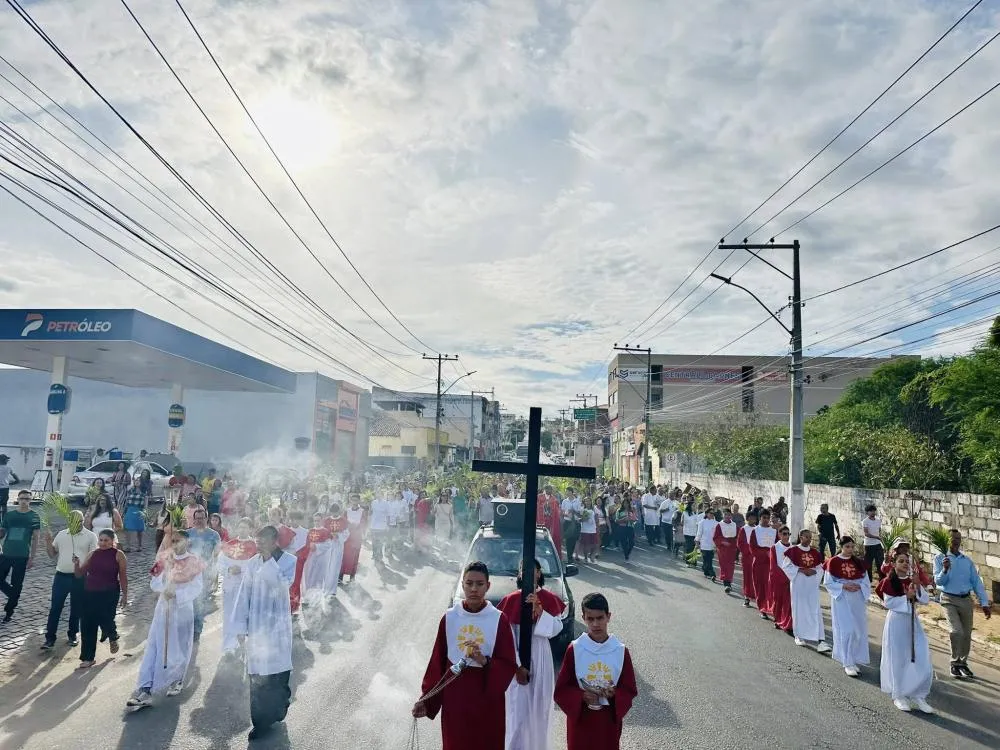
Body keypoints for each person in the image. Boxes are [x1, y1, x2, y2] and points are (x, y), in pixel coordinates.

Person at [412, 561, 517, 750]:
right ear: (462, 585)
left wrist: (484, 661)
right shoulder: (450, 617)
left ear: (488, 586)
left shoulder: (498, 619)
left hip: (486, 699)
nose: (474, 589)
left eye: (479, 584)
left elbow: (509, 664)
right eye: (469, 583)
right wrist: (426, 699)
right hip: (456, 699)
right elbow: (437, 662)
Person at [127, 529, 204, 707]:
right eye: (173, 540)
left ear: (187, 542)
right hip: (164, 606)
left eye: (179, 540)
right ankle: (145, 688)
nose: (175, 544)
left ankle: (176, 679)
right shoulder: (164, 559)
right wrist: (164, 588)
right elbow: (154, 582)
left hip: (183, 608)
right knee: (155, 643)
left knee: (179, 645)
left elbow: (197, 587)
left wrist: (177, 594)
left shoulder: (194, 561)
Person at [234, 524, 297, 740]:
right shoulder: (252, 564)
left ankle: (278, 710)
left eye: (261, 541)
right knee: (258, 677)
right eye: (256, 540)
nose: (257, 544)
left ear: (273, 541)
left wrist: (270, 560)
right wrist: (241, 627)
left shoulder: (289, 561)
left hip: (277, 628)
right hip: (257, 627)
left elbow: (281, 585)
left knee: (276, 675)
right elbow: (244, 595)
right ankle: (259, 723)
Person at [554, 593, 637, 750]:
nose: (595, 624)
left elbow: (629, 689)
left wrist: (614, 694)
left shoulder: (620, 651)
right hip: (581, 719)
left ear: (608, 616)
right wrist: (581, 696)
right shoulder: (575, 649)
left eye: (600, 618)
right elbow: (562, 689)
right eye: (590, 619)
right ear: (583, 617)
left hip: (607, 721)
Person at [498, 559, 565, 750]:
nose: (527, 574)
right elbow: (507, 636)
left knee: (540, 711)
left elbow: (555, 629)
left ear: (539, 573)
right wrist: (517, 665)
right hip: (517, 656)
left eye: (532, 570)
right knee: (517, 712)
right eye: (523, 570)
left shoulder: (549, 598)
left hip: (541, 652)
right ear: (519, 575)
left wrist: (540, 610)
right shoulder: (510, 600)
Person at [878, 552, 934, 713]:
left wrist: (918, 586)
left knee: (920, 656)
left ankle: (918, 694)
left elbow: (924, 600)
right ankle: (899, 695)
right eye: (901, 561)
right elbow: (888, 602)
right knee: (898, 658)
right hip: (896, 621)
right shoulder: (889, 581)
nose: (904, 563)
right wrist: (905, 597)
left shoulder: (912, 580)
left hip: (912, 621)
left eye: (907, 561)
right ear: (894, 564)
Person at [933, 528, 993, 679]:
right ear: (947, 541)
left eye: (958, 539)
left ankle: (963, 663)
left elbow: (976, 583)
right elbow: (939, 582)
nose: (956, 541)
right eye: (953, 539)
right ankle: (954, 662)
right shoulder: (940, 558)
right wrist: (945, 569)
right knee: (956, 631)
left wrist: (984, 603)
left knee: (966, 634)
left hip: (966, 600)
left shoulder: (967, 561)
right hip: (948, 599)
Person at [41, 510, 97, 650]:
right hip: (61, 576)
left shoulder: (90, 536)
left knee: (76, 608)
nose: (77, 524)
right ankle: (49, 638)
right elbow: (52, 554)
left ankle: (73, 635)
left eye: (79, 521)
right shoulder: (61, 534)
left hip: (80, 577)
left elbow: (93, 558)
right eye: (73, 521)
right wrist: (48, 542)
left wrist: (81, 565)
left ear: (83, 521)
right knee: (55, 608)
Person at [74, 529, 128, 668]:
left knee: (106, 618)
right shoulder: (93, 554)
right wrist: (76, 564)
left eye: (106, 540)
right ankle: (88, 657)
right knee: (87, 624)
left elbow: (122, 576)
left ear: (112, 540)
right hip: (90, 592)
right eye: (101, 540)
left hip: (109, 593)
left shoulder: (118, 555)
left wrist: (125, 594)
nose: (103, 543)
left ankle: (112, 635)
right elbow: (80, 574)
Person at [823, 536, 870, 677]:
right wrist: (844, 585)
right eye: (847, 547)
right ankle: (847, 662)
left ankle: (853, 659)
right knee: (846, 630)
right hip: (842, 598)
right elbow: (828, 583)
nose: (850, 549)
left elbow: (866, 581)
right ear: (841, 546)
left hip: (857, 598)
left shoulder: (858, 562)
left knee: (857, 631)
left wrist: (859, 585)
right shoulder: (833, 562)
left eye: (852, 546)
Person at [782, 529, 832, 652]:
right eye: (806, 537)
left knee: (815, 610)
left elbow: (820, 568)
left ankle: (821, 640)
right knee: (799, 609)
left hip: (811, 584)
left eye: (810, 537)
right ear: (801, 537)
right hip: (799, 583)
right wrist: (801, 570)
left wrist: (813, 572)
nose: (809, 539)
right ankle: (799, 636)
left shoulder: (815, 552)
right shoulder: (792, 551)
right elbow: (786, 566)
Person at [217, 518, 257, 655]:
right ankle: (229, 645)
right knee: (229, 614)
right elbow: (220, 563)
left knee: (244, 614)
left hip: (246, 586)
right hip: (230, 585)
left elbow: (257, 566)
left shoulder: (255, 546)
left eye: (245, 527)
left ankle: (244, 643)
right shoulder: (230, 544)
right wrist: (228, 570)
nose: (242, 530)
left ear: (250, 529)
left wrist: (242, 570)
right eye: (240, 527)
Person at [0, 490, 40, 623]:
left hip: (22, 556)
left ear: (30, 501)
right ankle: (13, 595)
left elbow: (35, 538)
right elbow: (2, 532)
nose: (24, 501)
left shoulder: (34, 516)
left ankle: (9, 611)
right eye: (22, 498)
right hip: (5, 554)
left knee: (17, 584)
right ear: (18, 499)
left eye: (27, 499)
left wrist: (32, 558)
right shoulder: (9, 515)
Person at [187, 507, 221, 642]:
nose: (199, 521)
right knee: (189, 600)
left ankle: (197, 629)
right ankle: (188, 626)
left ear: (206, 519)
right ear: (194, 520)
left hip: (205, 573)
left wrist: (215, 574)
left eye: (202, 518)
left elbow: (217, 555)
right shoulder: (188, 533)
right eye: (197, 518)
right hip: (189, 573)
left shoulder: (214, 535)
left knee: (200, 601)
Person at [748, 511, 775, 615]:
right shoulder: (755, 531)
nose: (766, 519)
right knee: (760, 585)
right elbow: (752, 547)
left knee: (770, 586)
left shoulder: (774, 531)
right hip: (759, 562)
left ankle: (770, 607)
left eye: (768, 517)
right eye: (764, 517)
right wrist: (765, 553)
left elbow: (777, 545)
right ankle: (762, 608)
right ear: (760, 518)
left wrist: (772, 554)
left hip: (771, 562)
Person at [768, 527, 793, 633]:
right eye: (784, 534)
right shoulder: (775, 547)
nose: (786, 536)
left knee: (789, 602)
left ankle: (788, 623)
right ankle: (777, 619)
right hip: (778, 578)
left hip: (790, 579)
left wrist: (791, 576)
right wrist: (783, 576)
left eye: (788, 534)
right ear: (779, 535)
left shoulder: (793, 548)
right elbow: (773, 565)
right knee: (778, 600)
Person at [712, 508, 739, 593]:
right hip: (723, 548)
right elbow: (716, 537)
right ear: (723, 515)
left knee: (731, 565)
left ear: (731, 516)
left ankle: (728, 581)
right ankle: (726, 583)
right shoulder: (719, 525)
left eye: (729, 515)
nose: (727, 516)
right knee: (724, 564)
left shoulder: (734, 525)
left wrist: (737, 546)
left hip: (732, 547)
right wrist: (723, 542)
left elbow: (738, 536)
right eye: (726, 514)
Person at [122, 475, 150, 553]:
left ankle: (139, 545)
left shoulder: (144, 492)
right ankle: (128, 546)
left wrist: (144, 512)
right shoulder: (130, 490)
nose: (137, 482)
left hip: (139, 510)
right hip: (130, 510)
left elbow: (145, 503)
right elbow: (126, 501)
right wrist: (124, 511)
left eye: (138, 480)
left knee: (139, 529)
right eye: (135, 480)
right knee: (127, 528)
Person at [341, 493, 365, 581]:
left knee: (355, 556)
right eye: (353, 500)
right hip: (347, 535)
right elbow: (343, 521)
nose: (354, 502)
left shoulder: (362, 511)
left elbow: (364, 522)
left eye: (356, 500)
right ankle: (341, 575)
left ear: (359, 501)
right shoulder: (347, 511)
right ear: (350, 500)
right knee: (345, 555)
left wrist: (358, 526)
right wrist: (349, 525)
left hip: (357, 535)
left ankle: (352, 577)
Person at [738, 511, 758, 607]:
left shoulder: (758, 529)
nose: (752, 520)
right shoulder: (743, 529)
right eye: (751, 518)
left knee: (757, 577)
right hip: (747, 557)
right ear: (747, 519)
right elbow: (740, 543)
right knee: (747, 577)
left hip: (757, 557)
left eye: (754, 518)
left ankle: (757, 597)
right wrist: (750, 550)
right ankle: (747, 596)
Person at [694, 508, 718, 581]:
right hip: (704, 544)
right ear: (707, 514)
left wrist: (717, 545)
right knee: (707, 559)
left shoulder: (717, 523)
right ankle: (712, 574)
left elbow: (717, 535)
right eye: (710, 513)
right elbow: (699, 533)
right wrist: (697, 542)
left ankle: (706, 571)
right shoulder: (702, 522)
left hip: (712, 545)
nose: (712, 515)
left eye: (713, 513)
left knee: (709, 560)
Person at [861, 504, 883, 581]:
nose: (873, 512)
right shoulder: (865, 521)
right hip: (868, 545)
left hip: (878, 544)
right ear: (867, 512)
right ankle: (868, 579)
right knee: (868, 563)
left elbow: (879, 531)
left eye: (874, 511)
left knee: (880, 562)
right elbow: (866, 533)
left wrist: (880, 539)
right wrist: (876, 537)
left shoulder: (878, 520)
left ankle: (882, 579)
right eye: (871, 511)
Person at [562, 491, 583, 562]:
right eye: (567, 492)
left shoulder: (577, 502)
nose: (567, 493)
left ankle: (570, 556)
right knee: (568, 540)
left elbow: (580, 514)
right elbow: (562, 512)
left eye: (569, 492)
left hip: (576, 523)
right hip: (567, 522)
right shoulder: (565, 501)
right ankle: (569, 557)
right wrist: (567, 514)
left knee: (574, 540)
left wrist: (574, 511)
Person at [578, 498, 599, 564]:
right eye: (586, 501)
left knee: (595, 545)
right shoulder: (582, 509)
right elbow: (579, 519)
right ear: (584, 502)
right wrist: (584, 518)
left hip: (593, 529)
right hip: (585, 530)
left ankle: (591, 556)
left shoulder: (594, 509)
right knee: (586, 545)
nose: (588, 502)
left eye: (589, 501)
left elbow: (596, 518)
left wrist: (597, 527)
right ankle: (586, 558)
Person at [0, 454, 18, 524]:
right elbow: (17, 479)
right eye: (7, 459)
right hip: (5, 488)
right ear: (4, 460)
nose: (8, 460)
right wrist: (12, 483)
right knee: (4, 505)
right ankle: (4, 520)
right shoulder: (9, 468)